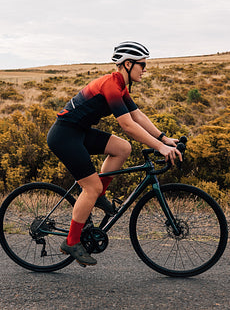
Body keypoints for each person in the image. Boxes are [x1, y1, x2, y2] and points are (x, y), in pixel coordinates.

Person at [46, 41, 182, 266]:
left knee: (122, 148)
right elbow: (128, 125)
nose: (145, 69)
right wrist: (160, 148)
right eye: (142, 65)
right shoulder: (111, 85)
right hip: (64, 136)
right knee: (91, 187)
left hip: (78, 132)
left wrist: (163, 138)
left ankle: (98, 197)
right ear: (128, 64)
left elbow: (137, 115)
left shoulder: (120, 86)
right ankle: (71, 241)